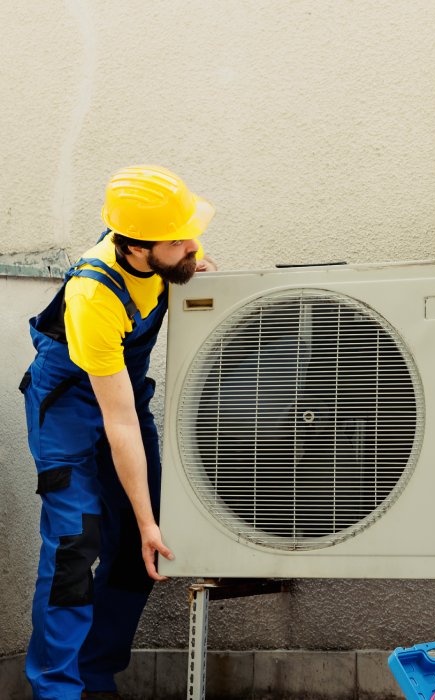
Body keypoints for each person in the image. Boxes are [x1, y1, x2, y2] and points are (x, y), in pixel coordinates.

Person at [19, 165, 216, 699]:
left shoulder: (158, 257)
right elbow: (119, 420)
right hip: (70, 412)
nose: (193, 244)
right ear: (135, 248)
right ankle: (57, 690)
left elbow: (127, 410)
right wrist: (149, 517)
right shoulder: (94, 295)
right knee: (74, 546)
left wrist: (193, 266)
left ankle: (95, 675)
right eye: (180, 240)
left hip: (123, 400)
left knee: (138, 546)